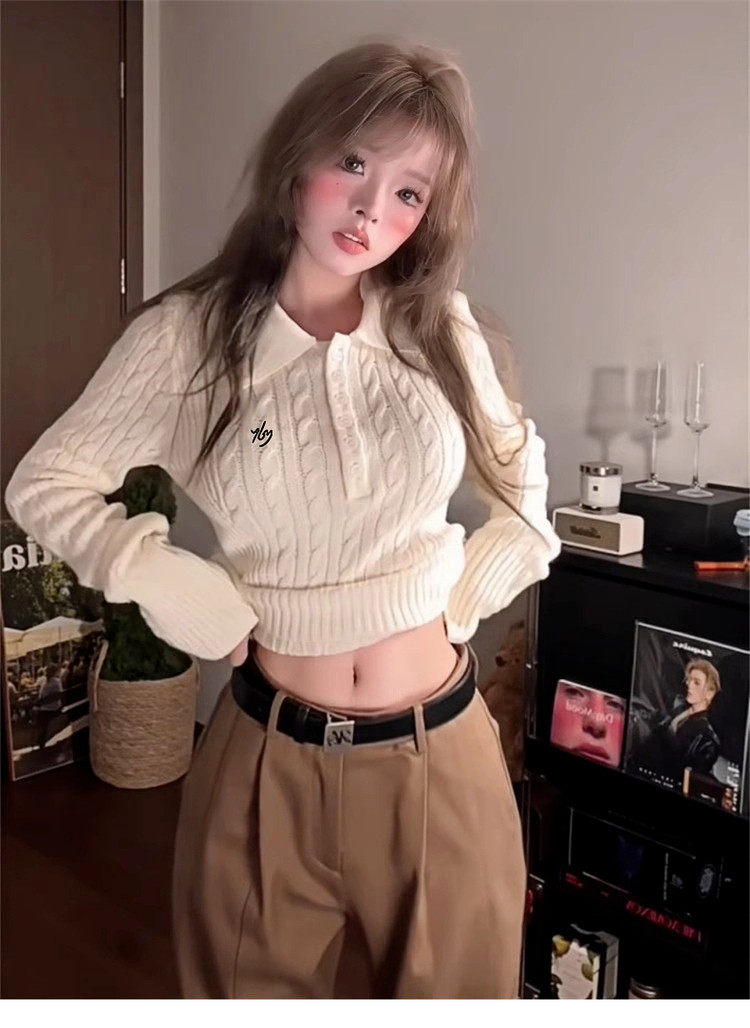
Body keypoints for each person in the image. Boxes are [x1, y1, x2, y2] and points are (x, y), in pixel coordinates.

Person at [3, 36, 561, 998]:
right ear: (299, 157)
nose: (370, 211)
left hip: (443, 756)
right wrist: (168, 583)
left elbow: (522, 484)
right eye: (354, 163)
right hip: (265, 758)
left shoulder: (438, 327)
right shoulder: (186, 340)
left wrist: (467, 595)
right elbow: (44, 483)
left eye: (408, 192)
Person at [630, 658, 722, 787]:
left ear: (710, 693)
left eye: (696, 682)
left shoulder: (708, 740)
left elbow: (689, 782)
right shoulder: (678, 710)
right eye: (689, 680)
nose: (689, 685)